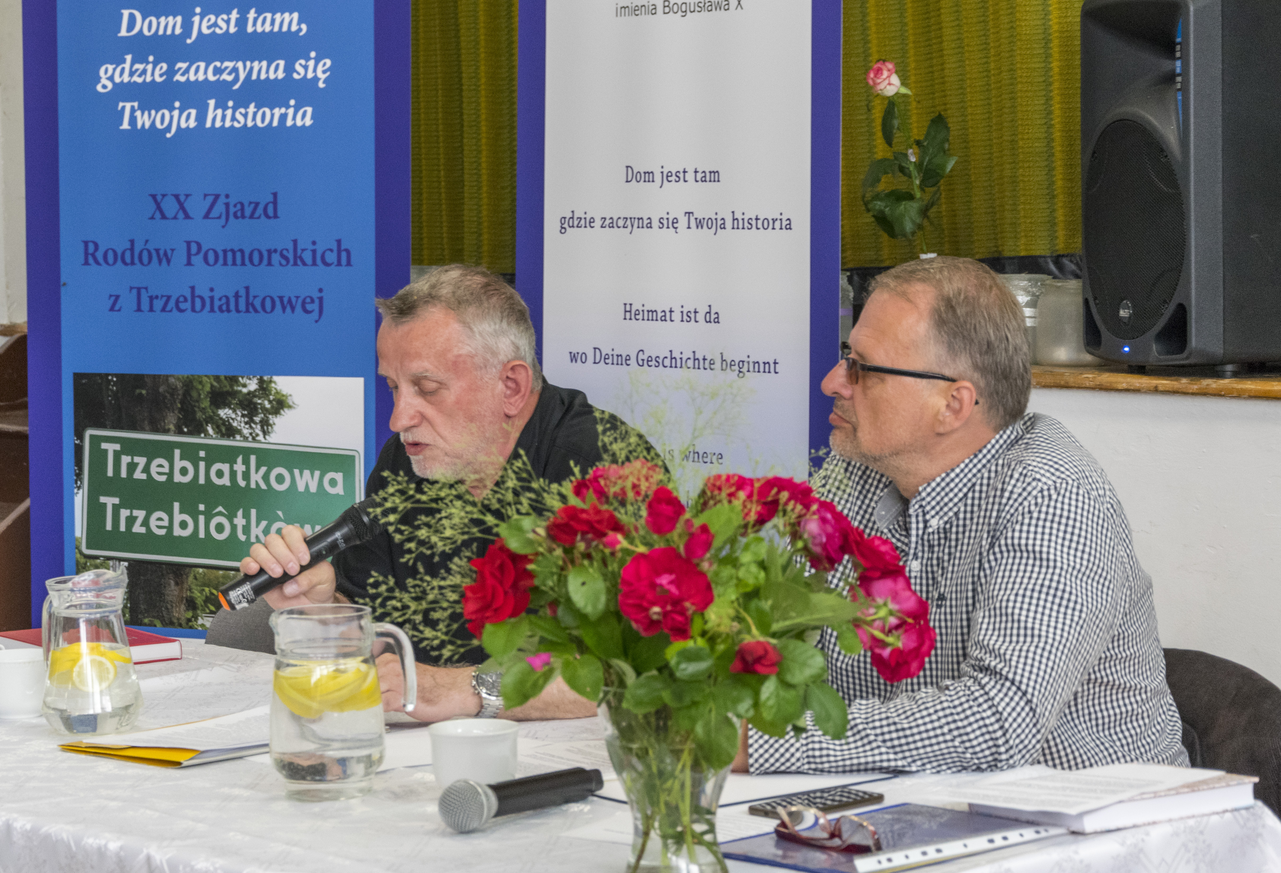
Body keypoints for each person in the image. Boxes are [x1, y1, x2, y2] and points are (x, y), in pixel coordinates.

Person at [737, 256, 1187, 774]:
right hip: (912, 804)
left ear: (953, 405)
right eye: (846, 356)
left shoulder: (1051, 495)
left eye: (864, 368)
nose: (833, 382)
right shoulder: (855, 471)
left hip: (1095, 818)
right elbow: (771, 631)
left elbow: (998, 723)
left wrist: (762, 744)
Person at [213, 265, 656, 723]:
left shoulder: (606, 467)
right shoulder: (406, 460)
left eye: (427, 389)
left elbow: (637, 667)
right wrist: (323, 608)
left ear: (511, 387)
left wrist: (465, 689)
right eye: (393, 387)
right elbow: (379, 640)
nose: (398, 418)